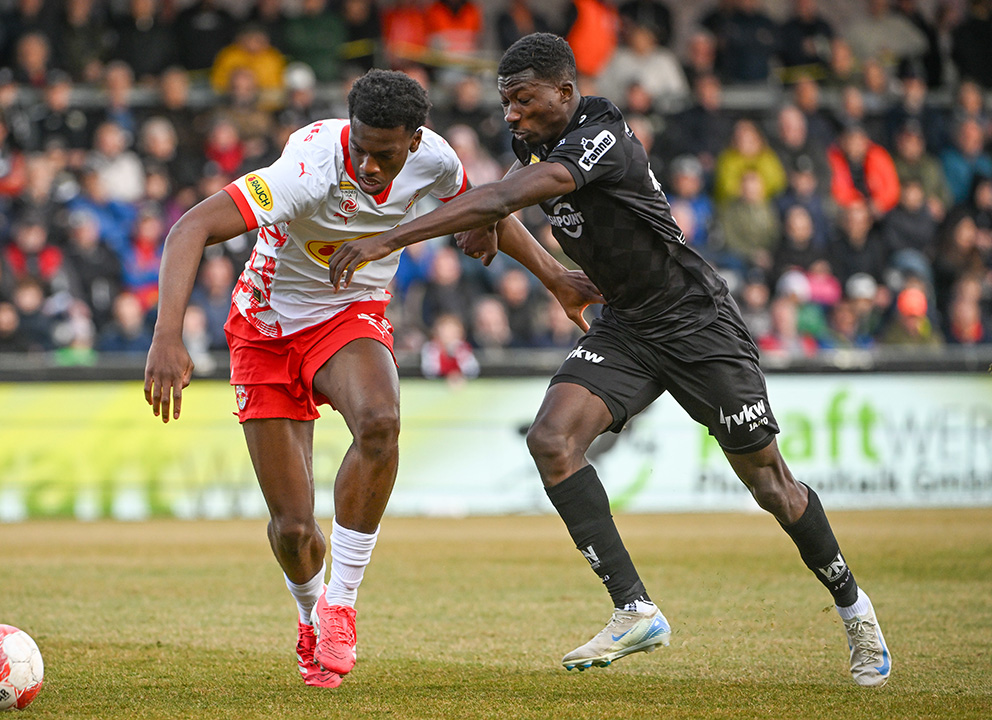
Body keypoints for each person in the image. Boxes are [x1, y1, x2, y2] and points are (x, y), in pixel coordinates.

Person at [327, 34, 891, 688]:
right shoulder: (533, 141)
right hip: (626, 323)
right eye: (505, 101)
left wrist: (391, 237)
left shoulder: (602, 139)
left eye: (523, 101)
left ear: (564, 93)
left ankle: (855, 609)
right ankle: (634, 607)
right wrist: (496, 220)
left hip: (695, 320)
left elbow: (507, 194)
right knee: (552, 439)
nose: (511, 114)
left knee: (769, 483)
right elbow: (509, 187)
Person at [145, 69, 586, 689]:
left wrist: (556, 276)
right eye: (361, 147)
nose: (371, 166)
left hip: (349, 315)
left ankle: (341, 605)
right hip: (266, 327)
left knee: (381, 421)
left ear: (414, 141)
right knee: (296, 531)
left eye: (385, 153)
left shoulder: (433, 160)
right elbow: (190, 227)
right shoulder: (305, 170)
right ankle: (308, 616)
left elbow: (487, 206)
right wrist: (167, 335)